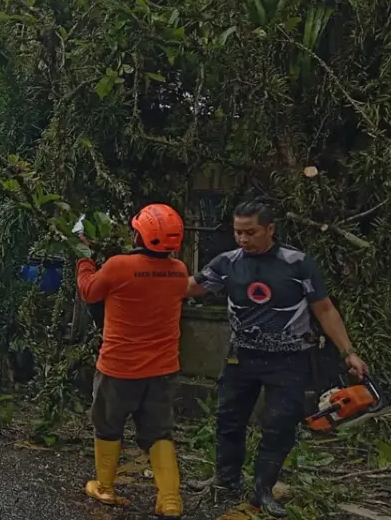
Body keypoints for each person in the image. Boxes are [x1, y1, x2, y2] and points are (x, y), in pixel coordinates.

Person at [186, 197, 369, 517]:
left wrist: (349, 352)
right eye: (238, 232)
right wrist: (149, 273)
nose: (243, 239)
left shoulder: (297, 264)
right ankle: (225, 480)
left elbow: (324, 309)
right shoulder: (227, 262)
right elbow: (190, 288)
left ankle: (263, 490)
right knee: (229, 420)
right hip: (241, 358)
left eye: (251, 232)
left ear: (270, 229)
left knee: (279, 424)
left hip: (289, 360)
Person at [75, 204, 188, 517]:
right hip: (163, 370)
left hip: (119, 367)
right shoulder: (179, 271)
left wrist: (83, 257)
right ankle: (169, 499)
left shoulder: (118, 266)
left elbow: (89, 291)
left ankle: (106, 487)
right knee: (159, 432)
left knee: (108, 426)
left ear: (140, 234)